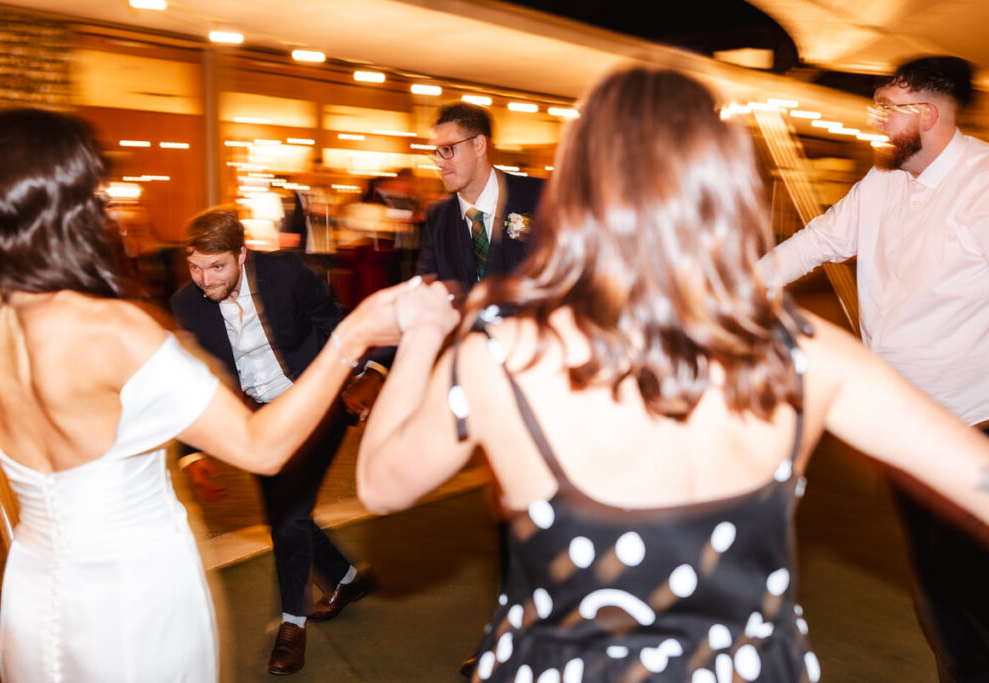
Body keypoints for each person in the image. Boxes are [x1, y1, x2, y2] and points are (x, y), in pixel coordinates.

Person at [355, 66, 989, 682]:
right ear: (718, 189)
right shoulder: (808, 353)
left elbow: (383, 486)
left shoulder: (501, 350)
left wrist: (420, 336)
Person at [0, 108, 448, 682]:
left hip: (35, 593)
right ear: (76, 211)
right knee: (286, 509)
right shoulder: (113, 329)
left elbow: (4, 493)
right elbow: (260, 446)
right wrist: (358, 335)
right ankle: (336, 581)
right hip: (135, 601)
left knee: (289, 515)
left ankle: (338, 579)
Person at [760, 56, 989, 681]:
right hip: (899, 419)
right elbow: (815, 243)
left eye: (889, 108)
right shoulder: (881, 185)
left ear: (930, 115)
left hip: (972, 421)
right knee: (934, 574)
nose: (879, 121)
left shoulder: (983, 184)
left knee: (966, 578)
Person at [171, 207, 379, 674]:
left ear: (241, 254)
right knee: (288, 512)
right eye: (195, 266)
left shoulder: (285, 274)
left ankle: (292, 622)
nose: (205, 279)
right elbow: (193, 379)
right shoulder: (186, 302)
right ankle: (346, 579)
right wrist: (192, 453)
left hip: (316, 401)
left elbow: (334, 321)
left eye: (217, 266)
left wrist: (365, 376)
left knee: (287, 516)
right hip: (258, 423)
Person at [416, 101, 543, 295]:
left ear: (478, 145)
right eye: (436, 152)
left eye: (448, 149)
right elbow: (426, 286)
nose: (439, 162)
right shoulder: (438, 217)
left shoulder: (538, 196)